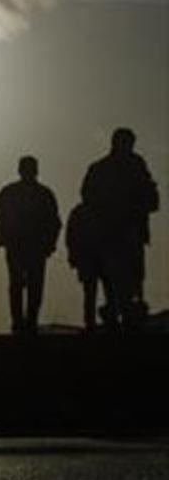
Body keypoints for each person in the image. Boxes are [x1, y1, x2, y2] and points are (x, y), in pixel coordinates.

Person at [81, 128, 159, 331]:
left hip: (127, 232)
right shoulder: (107, 169)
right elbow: (89, 199)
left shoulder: (134, 166)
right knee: (115, 278)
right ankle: (120, 316)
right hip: (112, 234)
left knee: (131, 279)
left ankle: (126, 315)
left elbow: (150, 197)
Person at [0, 155, 61, 334]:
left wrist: (4, 238)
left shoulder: (12, 192)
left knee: (25, 285)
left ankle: (25, 322)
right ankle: (24, 322)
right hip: (25, 246)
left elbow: (54, 223)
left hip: (27, 246)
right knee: (27, 285)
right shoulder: (42, 194)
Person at [65, 202, 104, 332]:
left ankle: (90, 321)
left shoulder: (79, 212)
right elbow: (71, 235)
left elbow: (71, 235)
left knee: (90, 291)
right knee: (100, 290)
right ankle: (96, 321)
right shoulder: (106, 210)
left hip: (89, 257)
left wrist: (73, 255)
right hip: (95, 257)